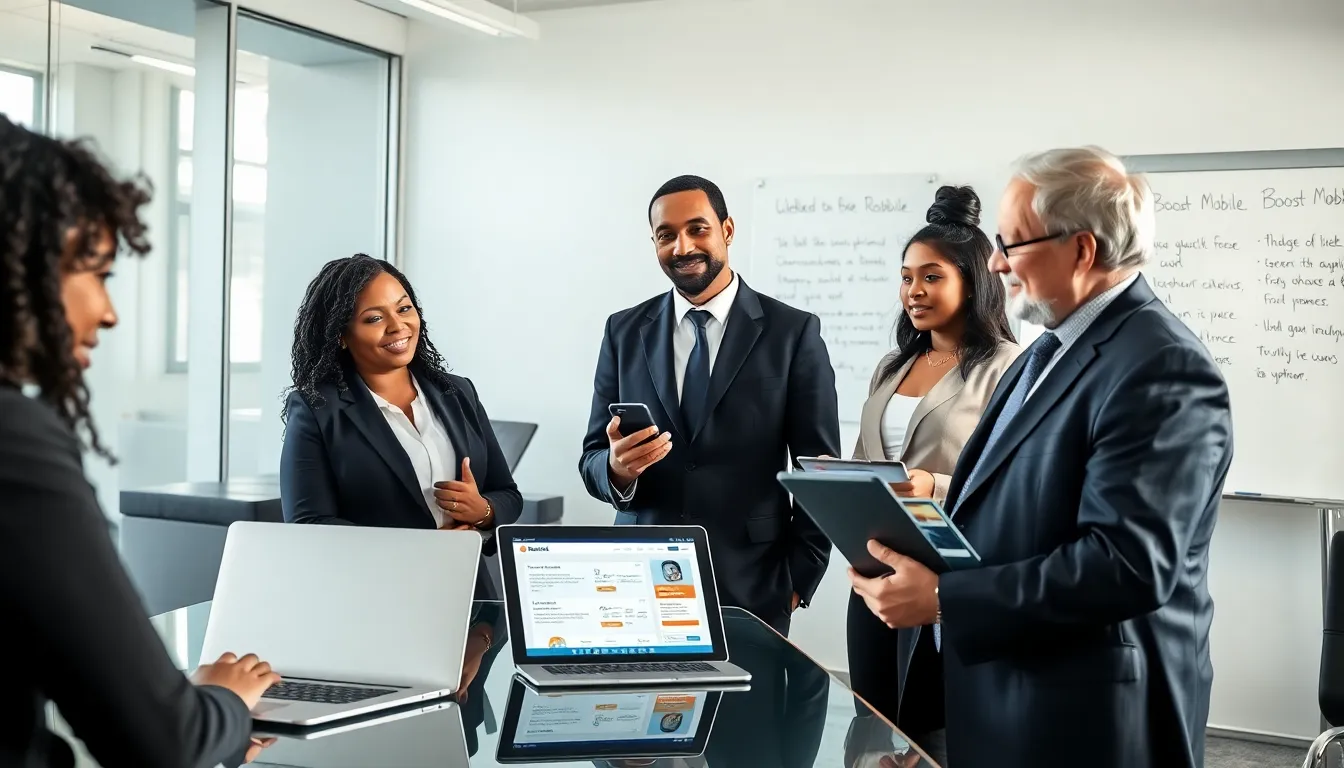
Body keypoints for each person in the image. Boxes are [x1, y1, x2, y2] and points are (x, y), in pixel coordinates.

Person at [849, 146, 1233, 768]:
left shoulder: (1163, 366)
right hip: (1013, 693)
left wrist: (947, 600)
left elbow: (1128, 565)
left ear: (1082, 250)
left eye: (1013, 243)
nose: (996, 263)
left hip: (1088, 719)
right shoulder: (1046, 349)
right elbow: (1003, 510)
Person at [0, 115, 280, 767]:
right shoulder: (15, 442)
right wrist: (224, 702)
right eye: (94, 271)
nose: (108, 310)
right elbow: (165, 745)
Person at [578, 174, 842, 634]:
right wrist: (617, 470)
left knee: (749, 709)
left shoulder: (791, 333)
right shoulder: (623, 331)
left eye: (697, 229)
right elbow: (592, 459)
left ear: (728, 230)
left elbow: (818, 470)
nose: (682, 247)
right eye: (666, 235)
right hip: (636, 582)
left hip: (751, 584)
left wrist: (799, 577)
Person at [844, 185, 1018, 742]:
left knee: (934, 733)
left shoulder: (1007, 368)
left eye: (931, 276)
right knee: (871, 727)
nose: (913, 291)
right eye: (906, 276)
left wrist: (933, 484)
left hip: (946, 579)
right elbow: (865, 460)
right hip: (872, 574)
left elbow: (1010, 481)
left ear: (974, 282)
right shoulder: (891, 366)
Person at [280, 254, 522, 615]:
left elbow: (508, 494)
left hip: (469, 596)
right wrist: (420, 549)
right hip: (375, 603)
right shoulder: (316, 409)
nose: (398, 326)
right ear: (342, 335)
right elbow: (310, 524)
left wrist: (483, 510)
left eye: (404, 308)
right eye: (374, 318)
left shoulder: (457, 393)